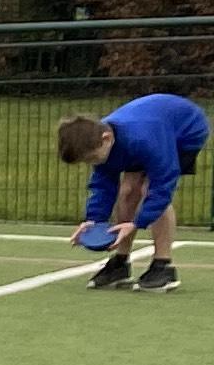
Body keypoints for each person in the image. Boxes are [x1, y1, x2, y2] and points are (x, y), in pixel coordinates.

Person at [57, 93, 205, 294]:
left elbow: (163, 186)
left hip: (185, 130)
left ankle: (163, 266)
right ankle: (121, 263)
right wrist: (94, 220)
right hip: (150, 128)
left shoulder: (144, 141)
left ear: (106, 138)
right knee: (128, 190)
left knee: (148, 189)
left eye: (92, 158)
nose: (92, 164)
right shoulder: (101, 141)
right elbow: (103, 186)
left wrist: (138, 223)